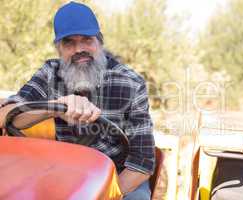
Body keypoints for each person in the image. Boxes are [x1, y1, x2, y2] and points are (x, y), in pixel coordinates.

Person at [0, 2, 155, 199]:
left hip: (116, 174)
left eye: (87, 40)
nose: (78, 49)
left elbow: (142, 163)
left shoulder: (131, 83)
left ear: (100, 41)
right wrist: (55, 108)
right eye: (69, 43)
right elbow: (5, 117)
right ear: (59, 49)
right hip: (65, 171)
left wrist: (106, 195)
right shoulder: (50, 73)